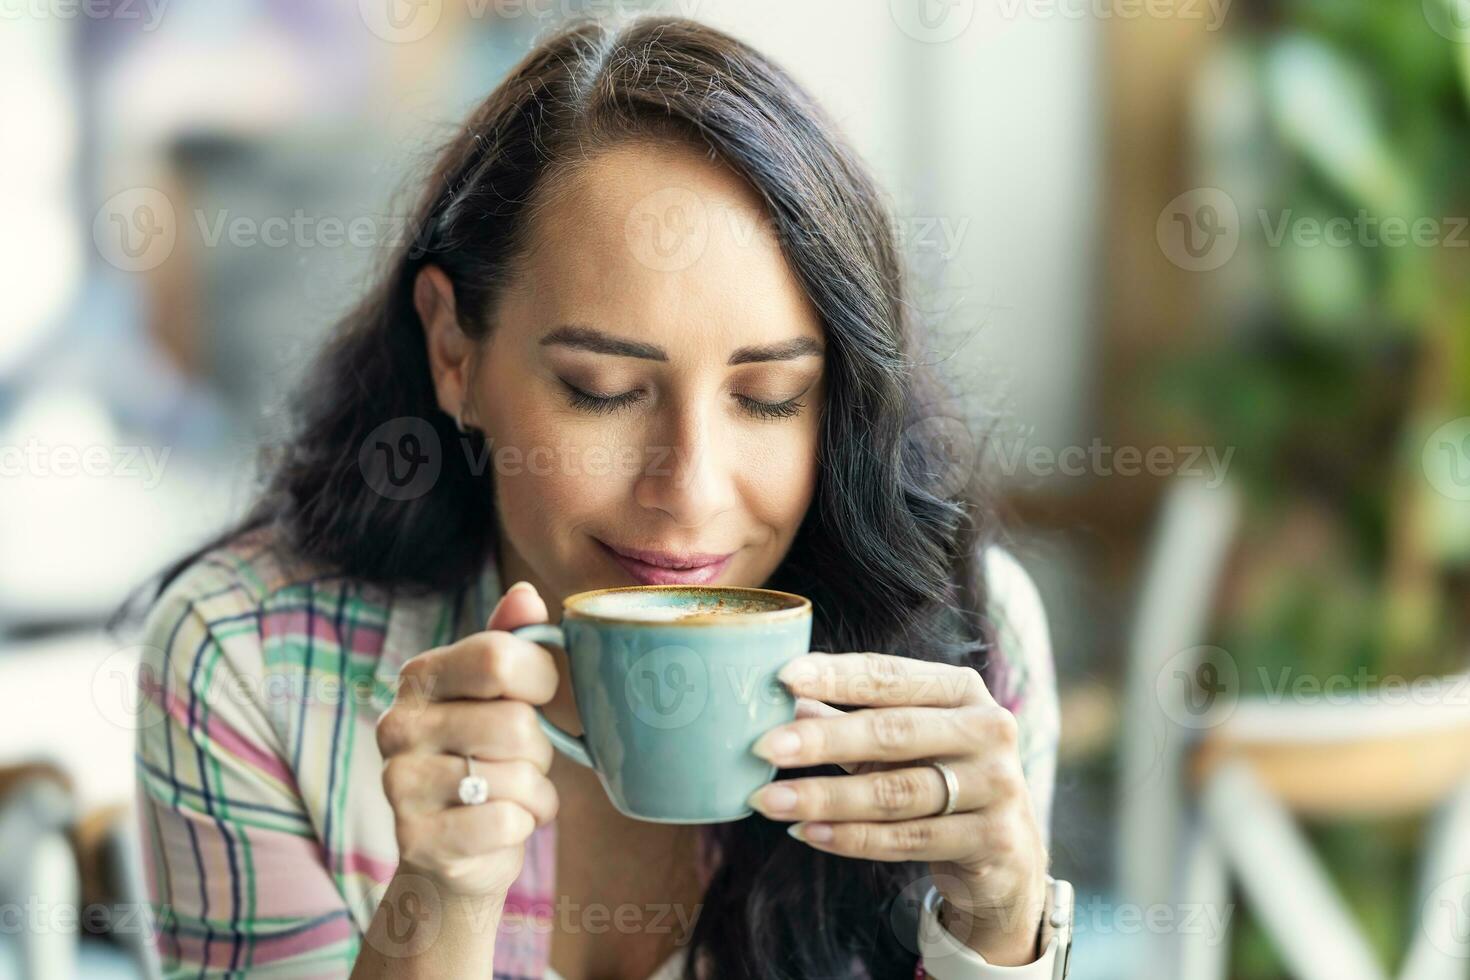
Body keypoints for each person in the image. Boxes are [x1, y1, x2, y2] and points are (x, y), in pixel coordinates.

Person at [129, 15, 1065, 979]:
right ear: (456, 352)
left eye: (770, 399)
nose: (689, 491)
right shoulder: (247, 661)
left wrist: (1001, 923)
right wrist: (440, 901)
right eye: (603, 392)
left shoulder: (965, 640)